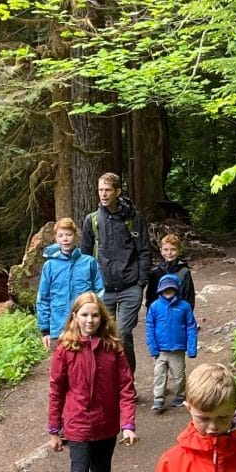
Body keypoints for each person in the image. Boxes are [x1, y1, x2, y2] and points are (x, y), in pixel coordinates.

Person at [47, 292, 137, 472]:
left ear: (102, 318)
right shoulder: (65, 348)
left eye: (95, 315)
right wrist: (54, 429)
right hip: (77, 426)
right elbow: (56, 389)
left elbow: (126, 387)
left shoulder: (113, 348)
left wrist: (128, 424)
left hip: (106, 426)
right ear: (75, 316)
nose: (90, 320)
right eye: (84, 315)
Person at [79, 173, 150, 374]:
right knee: (102, 335)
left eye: (107, 190)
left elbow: (144, 251)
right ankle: (107, 383)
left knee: (123, 333)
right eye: (100, 189)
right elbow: (85, 258)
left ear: (117, 192)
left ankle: (127, 381)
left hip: (130, 286)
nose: (103, 194)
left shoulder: (133, 218)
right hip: (103, 289)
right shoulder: (92, 221)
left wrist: (140, 282)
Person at [34, 216, 103, 344]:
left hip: (86, 329)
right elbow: (43, 298)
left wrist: (96, 318)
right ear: (55, 238)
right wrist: (45, 330)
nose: (65, 239)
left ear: (76, 236)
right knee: (60, 363)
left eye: (69, 235)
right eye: (60, 236)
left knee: (88, 363)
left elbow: (100, 292)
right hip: (59, 328)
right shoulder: (50, 266)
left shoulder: (89, 262)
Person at [143, 273, 198, 414]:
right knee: (159, 375)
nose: (168, 292)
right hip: (161, 350)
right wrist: (152, 346)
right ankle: (158, 399)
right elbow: (150, 326)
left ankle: (180, 395)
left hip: (177, 350)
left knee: (179, 376)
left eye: (171, 289)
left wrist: (191, 348)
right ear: (160, 290)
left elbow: (191, 327)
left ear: (177, 289)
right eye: (165, 289)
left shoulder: (184, 307)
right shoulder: (155, 306)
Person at [144, 232, 196, 311]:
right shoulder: (156, 272)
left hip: (179, 313)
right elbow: (150, 297)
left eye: (173, 249)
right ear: (161, 251)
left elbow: (189, 297)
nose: (169, 253)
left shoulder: (184, 272)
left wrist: (187, 315)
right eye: (166, 249)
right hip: (160, 314)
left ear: (179, 250)